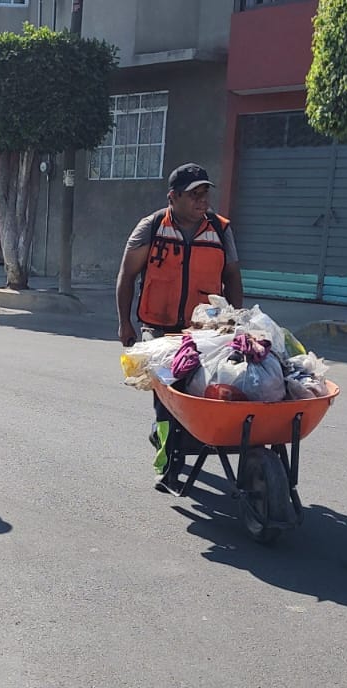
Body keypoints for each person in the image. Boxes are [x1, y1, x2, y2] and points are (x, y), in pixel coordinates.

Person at [115, 163, 243, 490]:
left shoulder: (220, 229)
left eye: (206, 193)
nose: (203, 201)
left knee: (202, 391)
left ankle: (177, 440)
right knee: (167, 398)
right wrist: (124, 322)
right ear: (173, 197)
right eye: (194, 194)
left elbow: (232, 278)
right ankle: (167, 463)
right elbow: (127, 275)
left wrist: (237, 325)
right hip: (159, 328)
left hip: (205, 330)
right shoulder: (152, 226)